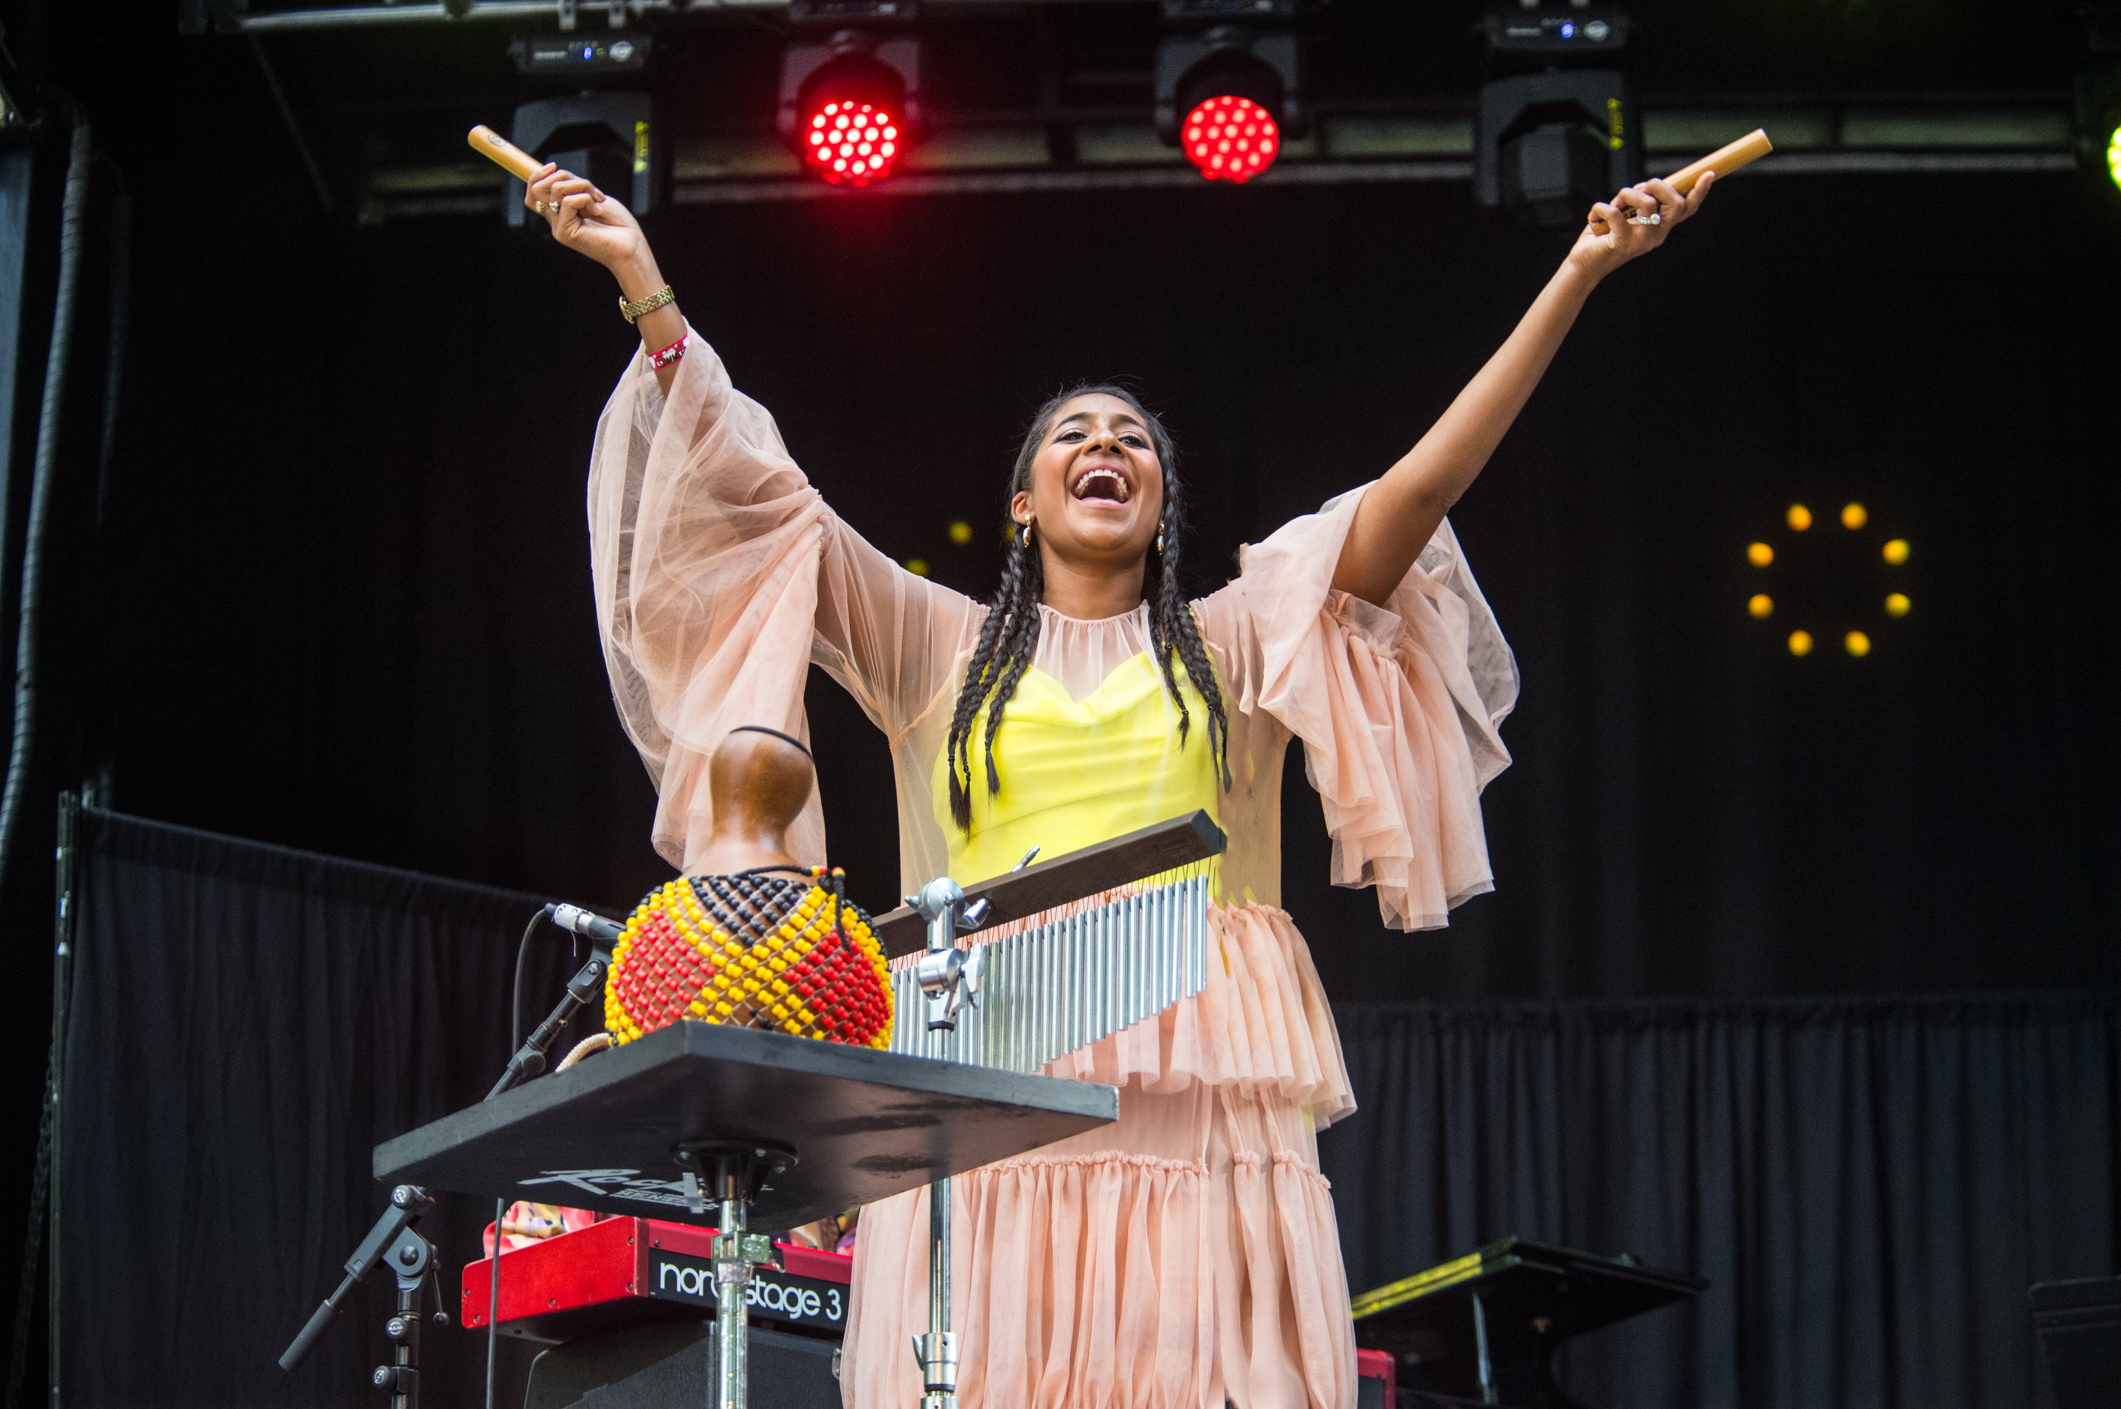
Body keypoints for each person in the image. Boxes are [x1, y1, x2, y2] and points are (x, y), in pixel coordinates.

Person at [527, 161, 1712, 1409]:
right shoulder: (933, 644)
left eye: (1133, 438)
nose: (1107, 445)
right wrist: (641, 286)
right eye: (1073, 437)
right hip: (984, 1063)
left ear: (1160, 500)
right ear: (1024, 505)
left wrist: (1578, 271)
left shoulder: (1240, 641)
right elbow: (753, 494)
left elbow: (1424, 486)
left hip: (1195, 1064)